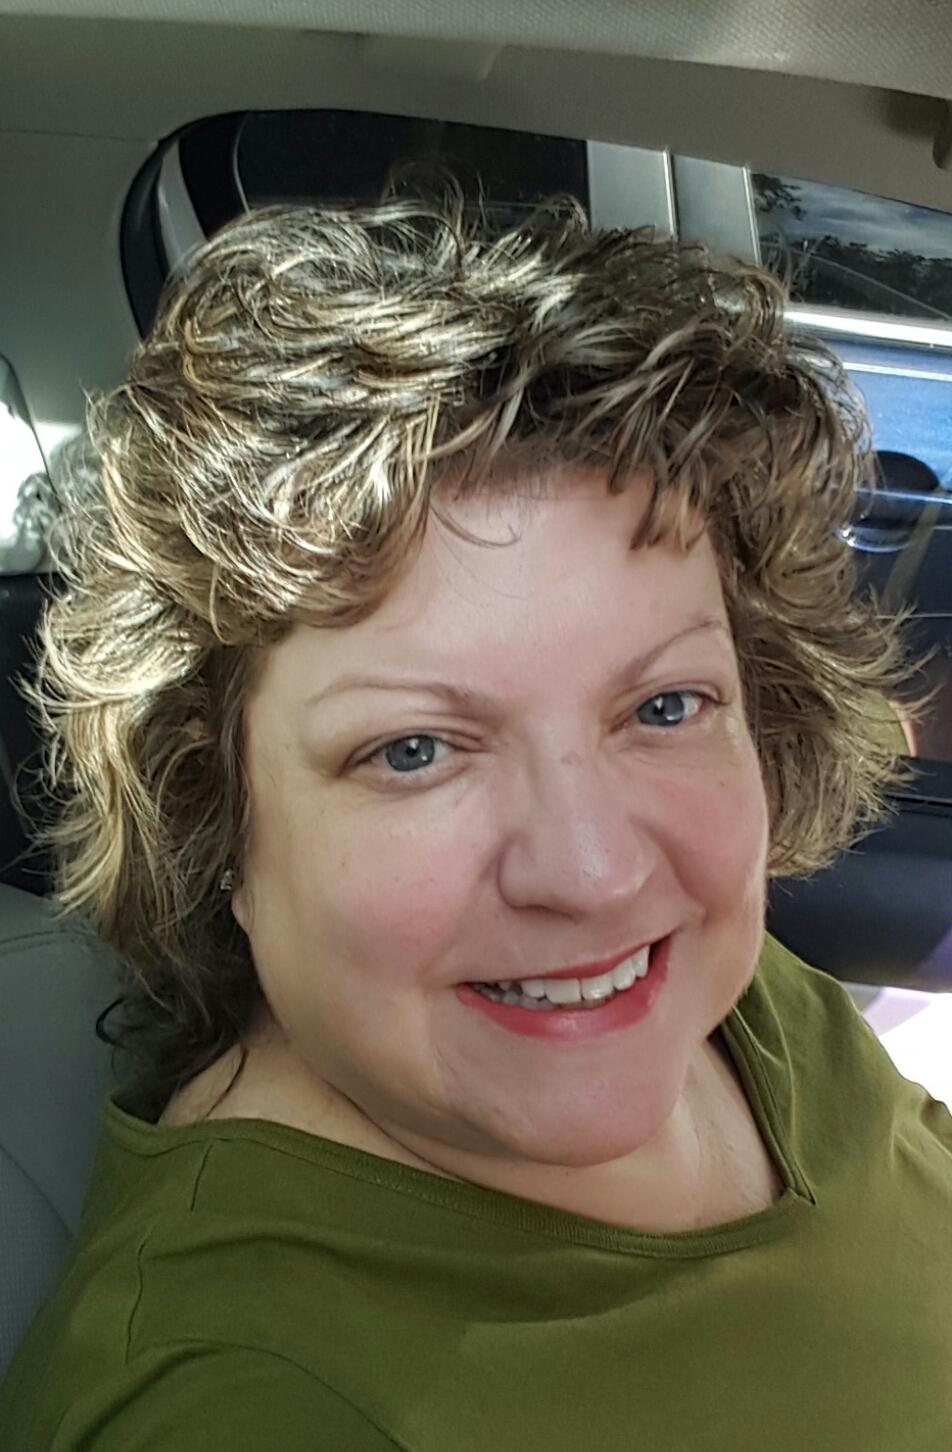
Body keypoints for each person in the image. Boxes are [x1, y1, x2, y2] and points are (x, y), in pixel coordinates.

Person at [1, 193, 949, 1450]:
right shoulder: (241, 1401)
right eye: (414, 751)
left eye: (664, 706)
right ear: (214, 818)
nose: (597, 874)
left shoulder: (703, 997)